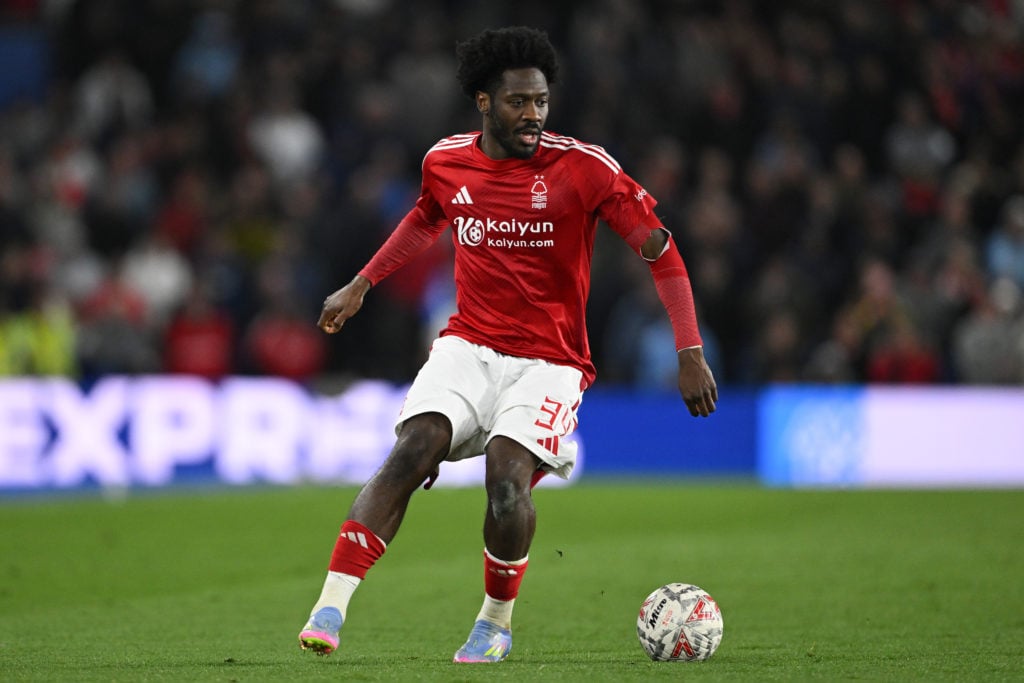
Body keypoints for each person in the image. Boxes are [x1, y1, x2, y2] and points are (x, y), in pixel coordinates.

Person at [298, 26, 718, 663]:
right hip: (468, 343)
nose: (534, 116)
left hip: (550, 361)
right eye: (520, 102)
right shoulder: (445, 161)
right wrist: (362, 284)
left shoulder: (583, 168)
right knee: (412, 449)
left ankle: (494, 622)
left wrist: (689, 351)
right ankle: (330, 605)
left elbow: (660, 249)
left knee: (506, 480)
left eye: (542, 102)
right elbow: (426, 216)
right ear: (484, 102)